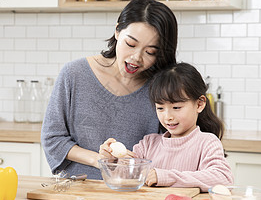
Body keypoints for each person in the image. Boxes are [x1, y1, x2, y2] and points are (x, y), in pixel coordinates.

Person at [41, 0, 178, 179]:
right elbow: (52, 138)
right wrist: (100, 160)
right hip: (77, 188)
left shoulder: (160, 88)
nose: (136, 57)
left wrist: (134, 162)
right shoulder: (74, 74)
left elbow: (172, 148)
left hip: (135, 191)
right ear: (117, 31)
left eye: (150, 52)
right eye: (131, 44)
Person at [99, 62, 233, 192]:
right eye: (160, 108)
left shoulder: (207, 142)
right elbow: (126, 176)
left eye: (176, 107)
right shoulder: (148, 144)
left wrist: (166, 176)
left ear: (199, 104)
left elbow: (223, 178)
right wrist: (112, 162)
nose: (168, 116)